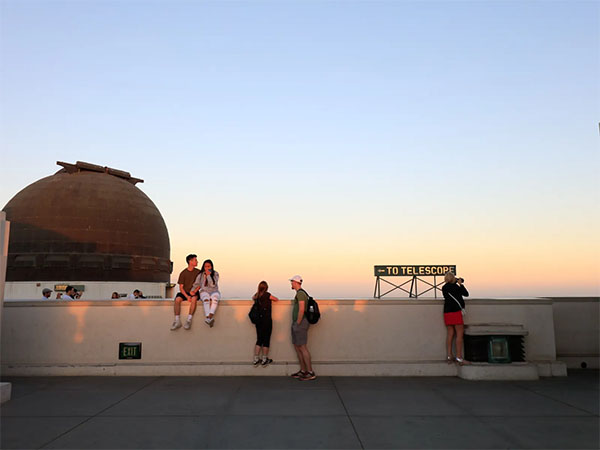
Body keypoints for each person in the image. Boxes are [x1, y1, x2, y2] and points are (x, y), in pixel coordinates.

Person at [289, 275, 316, 381]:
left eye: (292, 282)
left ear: (295, 282)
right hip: (298, 323)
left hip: (300, 323)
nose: (291, 284)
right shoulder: (300, 293)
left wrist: (297, 323)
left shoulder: (300, 294)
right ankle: (303, 370)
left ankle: (310, 372)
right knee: (297, 346)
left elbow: (301, 310)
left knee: (302, 347)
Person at [442, 272, 470, 365]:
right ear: (453, 278)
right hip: (456, 312)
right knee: (459, 335)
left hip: (447, 312)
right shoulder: (456, 287)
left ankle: (449, 356)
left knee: (450, 334)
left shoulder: (444, 287)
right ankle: (459, 357)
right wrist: (460, 284)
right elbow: (466, 294)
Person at [251, 281, 279, 367]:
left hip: (258, 321)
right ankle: (264, 359)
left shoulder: (256, 296)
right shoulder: (267, 295)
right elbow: (276, 299)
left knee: (259, 339)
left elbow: (253, 297)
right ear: (266, 288)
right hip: (266, 320)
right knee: (266, 339)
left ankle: (256, 359)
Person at [171, 254, 201, 330]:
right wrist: (187, 296)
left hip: (194, 292)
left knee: (194, 299)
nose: (197, 261)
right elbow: (181, 288)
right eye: (195, 260)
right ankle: (177, 321)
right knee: (177, 300)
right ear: (190, 261)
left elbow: (200, 284)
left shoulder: (198, 272)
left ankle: (189, 320)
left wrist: (194, 291)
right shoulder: (183, 273)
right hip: (185, 292)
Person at [191, 259, 221, 327]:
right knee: (206, 299)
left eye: (209, 266)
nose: (207, 268)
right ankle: (208, 318)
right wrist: (192, 290)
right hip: (204, 291)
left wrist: (208, 276)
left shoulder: (215, 274)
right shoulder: (200, 275)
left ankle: (209, 317)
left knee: (215, 299)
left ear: (211, 267)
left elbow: (212, 284)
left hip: (214, 291)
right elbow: (196, 284)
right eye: (206, 266)